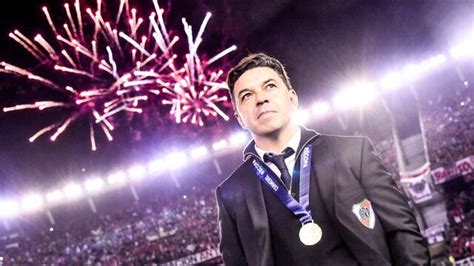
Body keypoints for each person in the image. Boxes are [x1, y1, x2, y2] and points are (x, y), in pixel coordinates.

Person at [215, 53, 430, 265]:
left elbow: (402, 231)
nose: (261, 98)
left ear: (292, 99)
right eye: (247, 96)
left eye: (270, 86)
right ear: (239, 119)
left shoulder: (353, 152)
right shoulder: (230, 194)